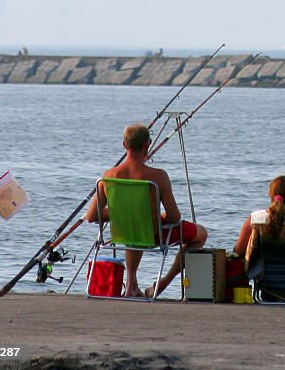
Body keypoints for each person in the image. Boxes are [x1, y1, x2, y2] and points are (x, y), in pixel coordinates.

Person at [85, 123, 208, 298]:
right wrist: (151, 214)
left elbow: (92, 216)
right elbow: (174, 217)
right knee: (201, 234)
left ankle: (131, 287)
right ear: (147, 144)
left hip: (122, 232)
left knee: (133, 229)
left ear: (124, 145)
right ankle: (163, 282)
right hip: (152, 235)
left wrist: (124, 212)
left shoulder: (108, 176)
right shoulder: (158, 176)